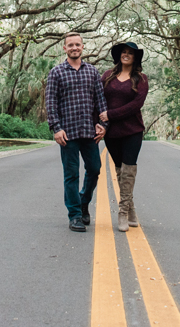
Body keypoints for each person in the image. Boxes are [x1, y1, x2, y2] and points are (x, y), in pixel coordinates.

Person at [45, 32, 107, 232]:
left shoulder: (92, 71)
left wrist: (102, 124)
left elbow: (100, 101)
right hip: (68, 134)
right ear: (64, 48)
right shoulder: (56, 72)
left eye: (77, 44)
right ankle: (75, 216)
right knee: (71, 174)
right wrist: (56, 128)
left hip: (90, 133)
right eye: (70, 45)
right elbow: (51, 103)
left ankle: (83, 202)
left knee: (95, 169)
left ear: (82, 47)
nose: (74, 47)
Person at [99, 41, 148, 233]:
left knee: (128, 170)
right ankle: (131, 210)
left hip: (133, 130)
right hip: (111, 133)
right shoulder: (107, 76)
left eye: (130, 53)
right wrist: (100, 121)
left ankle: (122, 212)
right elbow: (99, 98)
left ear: (135, 58)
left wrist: (111, 114)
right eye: (123, 52)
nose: (126, 55)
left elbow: (136, 104)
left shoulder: (141, 79)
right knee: (120, 171)